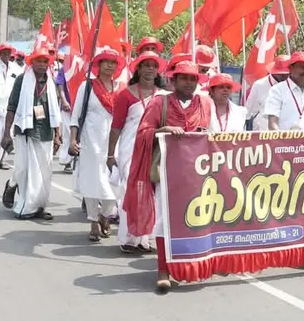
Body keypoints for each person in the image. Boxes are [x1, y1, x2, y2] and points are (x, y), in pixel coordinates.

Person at [124, 61, 212, 291]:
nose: (189, 83)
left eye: (193, 79)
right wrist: (163, 131)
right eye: (184, 78)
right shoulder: (159, 103)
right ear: (173, 81)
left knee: (194, 220)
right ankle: (163, 270)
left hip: (196, 174)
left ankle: (188, 267)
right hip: (166, 173)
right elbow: (143, 134)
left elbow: (210, 136)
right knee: (165, 221)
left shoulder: (204, 103)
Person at [108, 51, 167, 253]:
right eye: (146, 65)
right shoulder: (125, 94)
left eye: (154, 65)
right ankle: (128, 238)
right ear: (138, 69)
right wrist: (110, 155)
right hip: (130, 149)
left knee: (152, 193)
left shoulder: (164, 96)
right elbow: (116, 126)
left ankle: (145, 238)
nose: (150, 69)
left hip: (155, 149)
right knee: (129, 190)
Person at [0, 45, 62, 220]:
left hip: (45, 131)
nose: (42, 64)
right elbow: (11, 107)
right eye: (38, 61)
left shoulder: (51, 82)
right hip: (25, 129)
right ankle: (13, 186)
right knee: (23, 170)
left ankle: (37, 206)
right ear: (32, 62)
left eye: (45, 61)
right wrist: (7, 133)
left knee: (44, 172)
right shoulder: (22, 80)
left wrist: (58, 134)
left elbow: (55, 110)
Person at [70, 48, 121, 243]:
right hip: (90, 141)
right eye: (106, 61)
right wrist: (73, 140)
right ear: (98, 65)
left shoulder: (119, 88)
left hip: (113, 142)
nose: (110, 65)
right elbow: (76, 115)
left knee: (113, 185)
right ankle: (93, 221)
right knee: (92, 182)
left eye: (113, 62)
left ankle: (105, 214)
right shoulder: (87, 86)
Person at [265, 51, 304, 131]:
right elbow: (272, 123)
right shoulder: (277, 90)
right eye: (302, 67)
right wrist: (283, 141)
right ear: (291, 68)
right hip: (284, 142)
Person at [244, 55, 289, 131]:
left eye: (288, 73)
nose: (286, 76)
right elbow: (248, 111)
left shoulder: (293, 84)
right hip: (264, 134)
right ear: (274, 71)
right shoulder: (259, 85)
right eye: (282, 74)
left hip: (288, 134)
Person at [54, 53, 75, 174]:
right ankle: (67, 161)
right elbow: (60, 87)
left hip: (80, 107)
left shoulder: (83, 69)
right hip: (67, 108)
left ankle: (78, 160)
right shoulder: (64, 70)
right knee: (68, 134)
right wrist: (64, 101)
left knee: (80, 135)